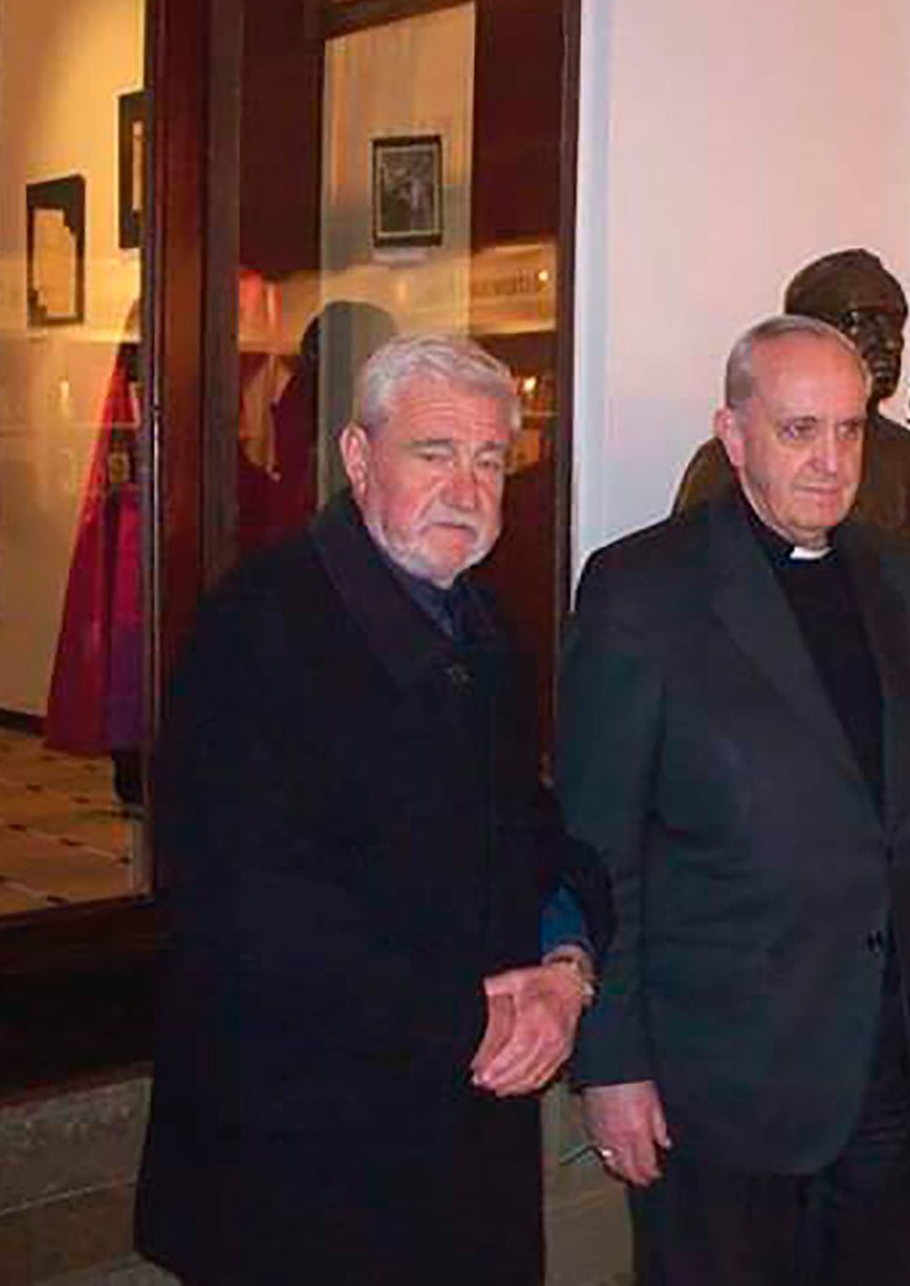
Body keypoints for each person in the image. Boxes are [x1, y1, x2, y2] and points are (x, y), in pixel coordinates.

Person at [136, 334, 608, 1285]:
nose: (467, 490)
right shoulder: (258, 632)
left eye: (490, 461)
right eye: (434, 453)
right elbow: (248, 911)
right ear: (357, 456)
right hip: (303, 1158)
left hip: (464, 1143)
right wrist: (466, 1018)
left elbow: (530, 832)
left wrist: (567, 967)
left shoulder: (483, 624)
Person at [560, 315, 910, 1286]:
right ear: (733, 436)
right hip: (717, 1086)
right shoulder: (641, 590)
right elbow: (596, 846)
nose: (831, 460)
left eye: (850, 429)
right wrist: (611, 1063)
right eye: (798, 430)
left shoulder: (897, 579)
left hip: (883, 1063)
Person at [674, 249, 910, 727]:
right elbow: (687, 603)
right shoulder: (724, 462)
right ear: (805, 332)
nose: (888, 341)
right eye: (862, 321)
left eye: (895, 324)